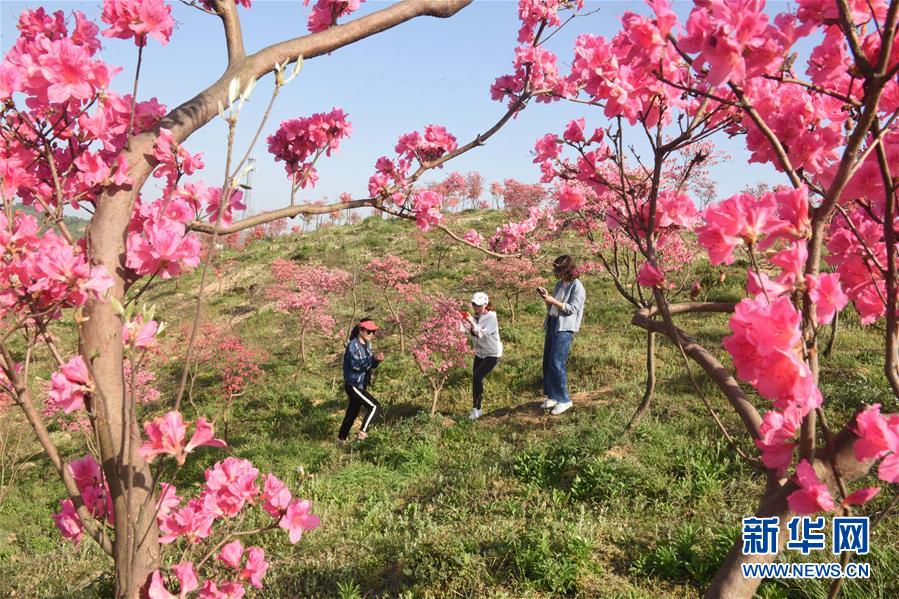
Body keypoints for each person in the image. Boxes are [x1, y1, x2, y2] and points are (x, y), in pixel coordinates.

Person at [537, 255, 585, 415]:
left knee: (557, 362)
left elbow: (572, 309)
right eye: (556, 270)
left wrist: (553, 301)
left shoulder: (577, 286)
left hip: (564, 328)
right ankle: (552, 396)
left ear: (568, 269)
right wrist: (547, 299)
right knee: (548, 361)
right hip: (552, 322)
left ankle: (565, 399)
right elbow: (553, 306)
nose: (557, 273)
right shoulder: (559, 284)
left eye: (560, 269)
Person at [338, 318, 384, 442]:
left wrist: (376, 360)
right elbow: (357, 366)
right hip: (353, 385)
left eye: (373, 332)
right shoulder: (353, 346)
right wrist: (372, 359)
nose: (371, 334)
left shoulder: (367, 345)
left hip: (361, 385)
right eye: (368, 331)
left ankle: (341, 439)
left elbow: (369, 366)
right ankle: (362, 435)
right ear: (360, 330)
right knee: (375, 407)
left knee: (352, 414)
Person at [462, 292, 503, 420]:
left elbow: (484, 333)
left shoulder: (491, 317)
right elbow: (467, 331)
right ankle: (476, 409)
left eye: (479, 305)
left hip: (492, 353)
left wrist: (472, 323)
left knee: (478, 376)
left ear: (485, 304)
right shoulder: (474, 316)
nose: (476, 307)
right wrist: (463, 323)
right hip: (479, 353)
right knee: (475, 379)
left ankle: (477, 409)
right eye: (474, 304)